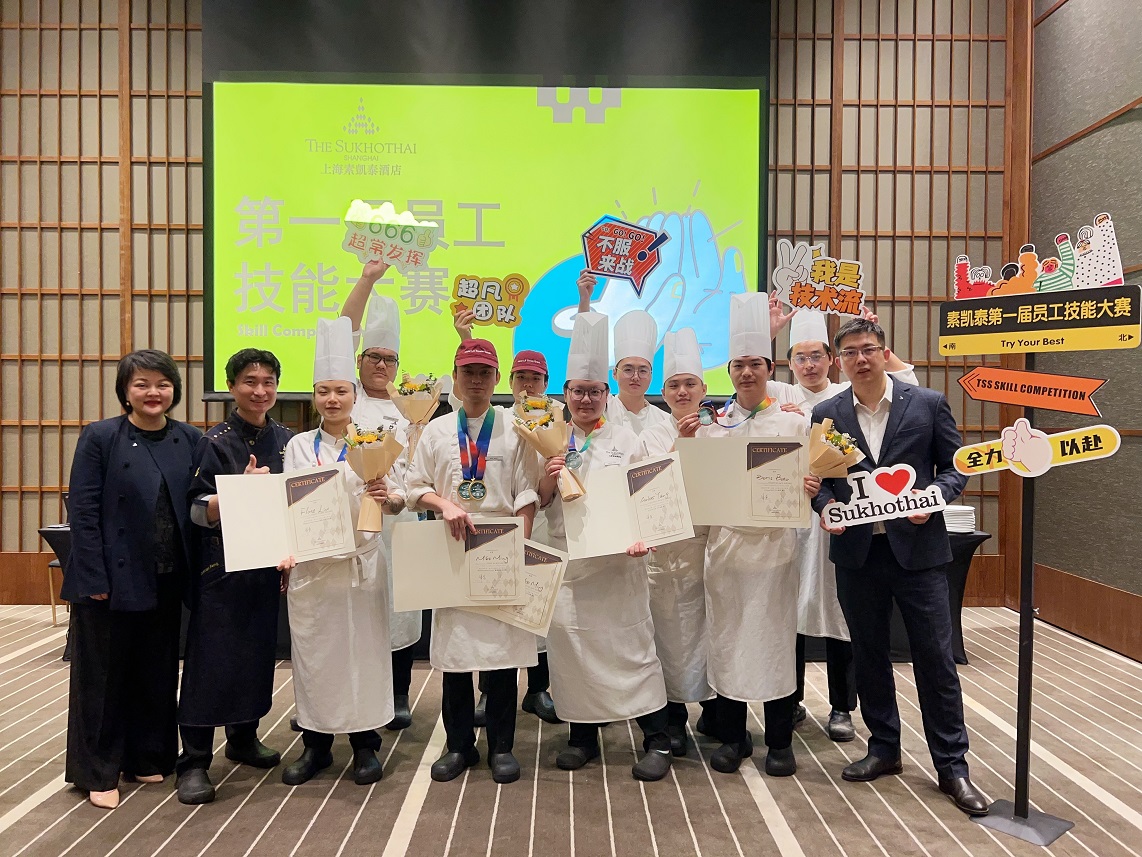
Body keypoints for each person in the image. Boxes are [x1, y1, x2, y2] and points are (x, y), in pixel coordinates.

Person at [812, 317, 989, 816]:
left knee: (935, 659)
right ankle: (884, 748)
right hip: (858, 555)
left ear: (884, 352)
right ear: (839, 361)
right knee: (868, 654)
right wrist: (825, 506)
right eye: (850, 352)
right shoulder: (826, 413)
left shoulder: (926, 403)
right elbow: (818, 479)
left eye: (868, 349)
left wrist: (933, 498)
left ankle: (952, 766)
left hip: (919, 554)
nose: (860, 359)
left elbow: (956, 467)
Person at [62, 350, 202, 809]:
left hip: (166, 576)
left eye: (162, 384)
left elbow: (203, 500)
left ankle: (147, 754)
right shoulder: (102, 436)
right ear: (125, 390)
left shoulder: (189, 438)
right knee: (102, 678)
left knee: (156, 671)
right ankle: (97, 772)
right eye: (141, 384)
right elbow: (83, 510)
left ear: (174, 389)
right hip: (111, 578)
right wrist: (92, 575)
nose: (153, 392)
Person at [538, 311, 674, 782]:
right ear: (565, 393)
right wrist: (549, 473)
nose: (586, 399)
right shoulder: (549, 438)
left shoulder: (626, 439)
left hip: (619, 568)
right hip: (571, 568)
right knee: (573, 654)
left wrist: (644, 538)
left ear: (606, 393)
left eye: (595, 391)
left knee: (633, 652)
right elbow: (539, 500)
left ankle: (657, 739)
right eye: (578, 391)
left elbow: (648, 496)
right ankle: (582, 737)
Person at [405, 339, 541, 784]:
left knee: (502, 660)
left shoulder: (515, 427)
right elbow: (414, 486)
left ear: (498, 378)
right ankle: (458, 746)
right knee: (455, 660)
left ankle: (502, 747)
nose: (477, 380)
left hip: (500, 547)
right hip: (452, 548)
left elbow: (526, 489)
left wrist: (522, 541)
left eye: (485, 373)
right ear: (455, 377)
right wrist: (444, 504)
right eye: (469, 372)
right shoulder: (437, 431)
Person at [782, 308, 918, 740]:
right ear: (789, 363)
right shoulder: (779, 398)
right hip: (795, 527)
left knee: (843, 613)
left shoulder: (847, 395)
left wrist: (874, 341)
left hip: (848, 524)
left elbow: (907, 382)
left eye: (817, 356)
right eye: (800, 357)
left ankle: (842, 706)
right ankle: (790, 700)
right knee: (790, 610)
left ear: (831, 359)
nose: (809, 365)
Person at [698, 293, 819, 776]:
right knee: (726, 640)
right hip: (726, 550)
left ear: (770, 369)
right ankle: (733, 737)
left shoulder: (794, 421)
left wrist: (812, 484)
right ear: (729, 372)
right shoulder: (713, 426)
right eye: (738, 365)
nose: (747, 373)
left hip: (774, 550)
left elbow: (815, 474)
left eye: (755, 364)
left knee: (774, 642)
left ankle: (780, 740)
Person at [279, 317, 401, 787]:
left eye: (341, 391)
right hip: (313, 572)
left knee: (365, 655)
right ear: (314, 396)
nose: (332, 399)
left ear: (354, 395)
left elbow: (400, 498)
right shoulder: (297, 446)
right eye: (323, 391)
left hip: (362, 564)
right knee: (315, 657)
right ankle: (316, 745)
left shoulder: (374, 441)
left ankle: (366, 744)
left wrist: (387, 495)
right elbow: (287, 504)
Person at [175, 349, 294, 805]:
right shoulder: (215, 441)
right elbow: (194, 510)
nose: (259, 391)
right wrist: (236, 494)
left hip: (267, 568)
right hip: (220, 570)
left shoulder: (288, 440)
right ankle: (194, 761)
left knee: (256, 656)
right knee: (210, 663)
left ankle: (243, 738)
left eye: (268, 382)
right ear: (231, 387)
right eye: (249, 382)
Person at [452, 310, 562, 726]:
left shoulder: (557, 417)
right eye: (521, 378)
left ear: (545, 383)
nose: (527, 385)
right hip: (499, 531)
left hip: (545, 528)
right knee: (495, 614)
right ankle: (490, 693)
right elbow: (462, 391)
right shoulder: (497, 420)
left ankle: (537, 690)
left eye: (535, 378)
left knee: (540, 611)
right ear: (509, 381)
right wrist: (464, 335)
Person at [341, 261, 421, 731]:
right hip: (353, 523)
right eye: (373, 357)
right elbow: (342, 332)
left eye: (390, 360)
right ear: (358, 361)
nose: (381, 366)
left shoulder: (411, 406)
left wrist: (399, 496)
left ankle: (399, 694)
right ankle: (351, 695)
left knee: (401, 610)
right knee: (356, 611)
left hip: (400, 521)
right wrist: (367, 280)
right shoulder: (346, 397)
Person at [639, 328, 716, 755]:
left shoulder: (721, 428)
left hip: (711, 551)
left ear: (703, 389)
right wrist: (680, 445)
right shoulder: (650, 433)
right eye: (674, 385)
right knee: (668, 640)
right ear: (664, 392)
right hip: (666, 556)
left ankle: (717, 715)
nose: (682, 391)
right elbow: (647, 486)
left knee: (710, 636)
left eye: (690, 384)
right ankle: (673, 723)